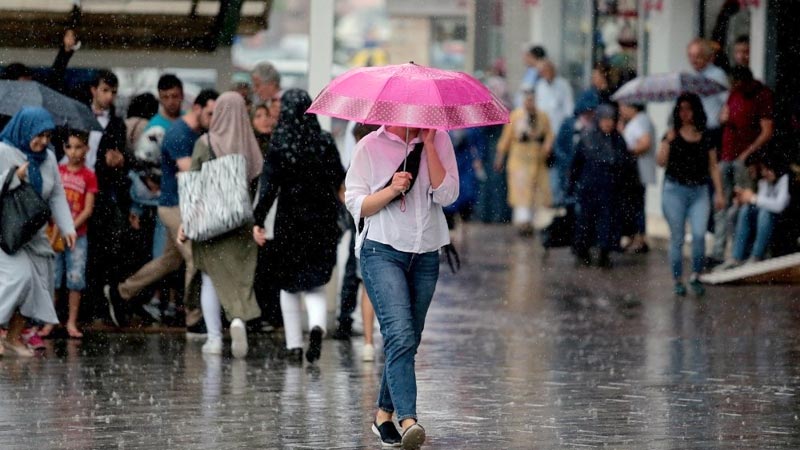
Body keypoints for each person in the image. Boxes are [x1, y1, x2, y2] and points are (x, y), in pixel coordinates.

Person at [345, 120, 458, 448]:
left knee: (408, 339)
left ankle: (383, 416)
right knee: (400, 334)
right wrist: (392, 189)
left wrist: (431, 145)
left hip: (425, 254)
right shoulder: (369, 147)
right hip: (382, 249)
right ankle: (408, 420)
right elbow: (357, 204)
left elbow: (448, 194)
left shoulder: (439, 141)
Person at [105, 89, 219, 331]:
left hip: (180, 204)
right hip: (175, 206)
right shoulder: (179, 133)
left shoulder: (195, 131)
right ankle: (194, 316)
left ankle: (122, 292)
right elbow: (188, 173)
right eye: (210, 112)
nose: (213, 118)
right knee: (195, 259)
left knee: (169, 261)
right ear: (197, 108)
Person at [253, 89, 345, 365]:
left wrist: (257, 220)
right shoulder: (324, 141)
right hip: (323, 221)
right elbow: (338, 178)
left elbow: (268, 188)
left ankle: (293, 346)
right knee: (315, 282)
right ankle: (316, 325)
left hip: (290, 223)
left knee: (288, 286)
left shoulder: (280, 144)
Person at [184, 92, 263, 357]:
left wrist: (188, 221)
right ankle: (238, 320)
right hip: (242, 222)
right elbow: (259, 183)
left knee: (210, 277)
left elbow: (193, 183)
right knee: (240, 279)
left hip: (211, 221)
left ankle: (215, 338)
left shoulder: (205, 143)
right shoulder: (250, 145)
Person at [0, 107, 77, 356]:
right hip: (6, 234)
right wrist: (13, 177)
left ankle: (13, 337)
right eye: (38, 134)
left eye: (47, 135)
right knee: (19, 278)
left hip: (33, 233)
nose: (43, 141)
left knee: (38, 286)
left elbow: (56, 194)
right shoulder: (4, 151)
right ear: (25, 129)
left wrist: (67, 227)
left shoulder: (49, 157)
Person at [657, 93, 725, 297]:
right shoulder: (671, 134)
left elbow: (713, 166)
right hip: (674, 190)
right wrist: (667, 143)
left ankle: (696, 274)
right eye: (681, 109)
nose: (685, 113)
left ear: (696, 110)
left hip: (699, 191)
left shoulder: (706, 136)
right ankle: (677, 279)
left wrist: (719, 192)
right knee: (677, 237)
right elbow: (660, 162)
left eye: (688, 108)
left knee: (698, 234)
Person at [712, 65, 774, 263]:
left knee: (744, 204)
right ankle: (720, 251)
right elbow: (723, 117)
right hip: (727, 154)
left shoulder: (761, 94)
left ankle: (743, 251)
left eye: (735, 84)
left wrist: (748, 153)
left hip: (744, 158)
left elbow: (767, 130)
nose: (733, 87)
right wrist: (723, 119)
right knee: (722, 203)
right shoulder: (733, 94)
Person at [40, 129, 97, 339]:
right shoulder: (58, 171)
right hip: (55, 234)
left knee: (75, 279)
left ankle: (71, 321)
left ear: (87, 148)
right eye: (69, 147)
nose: (73, 152)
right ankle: (49, 321)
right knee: (53, 277)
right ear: (63, 148)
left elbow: (88, 209)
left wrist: (70, 226)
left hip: (77, 235)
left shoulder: (88, 175)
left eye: (79, 147)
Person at [332, 122, 380, 341]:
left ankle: (346, 320)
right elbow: (345, 188)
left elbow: (346, 188)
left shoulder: (365, 157)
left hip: (364, 222)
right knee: (357, 273)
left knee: (356, 273)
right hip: (363, 222)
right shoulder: (368, 157)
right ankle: (347, 320)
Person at [569, 104, 630, 268]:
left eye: (611, 119)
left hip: (610, 189)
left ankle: (604, 252)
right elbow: (576, 163)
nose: (608, 123)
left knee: (607, 221)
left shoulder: (618, 140)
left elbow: (625, 164)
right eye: (604, 119)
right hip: (590, 187)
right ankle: (583, 251)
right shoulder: (587, 137)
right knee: (586, 221)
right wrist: (572, 184)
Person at [495, 89, 554, 236]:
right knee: (521, 193)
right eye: (527, 100)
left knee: (537, 192)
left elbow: (549, 135)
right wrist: (500, 157)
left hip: (537, 159)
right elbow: (505, 139)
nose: (530, 103)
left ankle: (534, 223)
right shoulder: (515, 116)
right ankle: (523, 222)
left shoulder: (543, 116)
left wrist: (547, 146)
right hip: (519, 160)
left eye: (532, 100)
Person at [725, 155, 791, 267]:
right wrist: (745, 199)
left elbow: (779, 205)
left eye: (768, 170)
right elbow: (759, 201)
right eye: (764, 170)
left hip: (782, 220)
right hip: (763, 220)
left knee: (765, 212)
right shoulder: (764, 182)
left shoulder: (785, 179)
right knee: (745, 210)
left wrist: (753, 198)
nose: (765, 173)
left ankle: (756, 256)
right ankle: (736, 257)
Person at [619, 102, 657, 253]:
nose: (621, 109)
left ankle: (640, 238)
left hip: (637, 172)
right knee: (634, 205)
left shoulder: (641, 120)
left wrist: (627, 151)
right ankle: (635, 237)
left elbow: (645, 142)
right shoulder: (635, 122)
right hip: (633, 173)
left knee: (637, 206)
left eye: (623, 106)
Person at [552, 91, 600, 207]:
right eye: (587, 110)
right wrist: (566, 163)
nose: (590, 113)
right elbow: (558, 146)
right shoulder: (569, 124)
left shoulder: (596, 126)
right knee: (567, 201)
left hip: (587, 172)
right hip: (568, 170)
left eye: (592, 110)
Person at [686, 38, 729, 145]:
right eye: (690, 56)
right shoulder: (695, 76)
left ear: (707, 57)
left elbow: (728, 101)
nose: (693, 60)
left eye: (698, 56)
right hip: (698, 130)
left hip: (712, 130)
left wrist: (723, 117)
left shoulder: (717, 75)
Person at [534, 60, 574, 137]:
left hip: (559, 126)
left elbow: (569, 107)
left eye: (548, 70)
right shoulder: (539, 85)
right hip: (543, 127)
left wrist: (567, 125)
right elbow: (537, 105)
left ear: (554, 71)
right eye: (544, 71)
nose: (547, 73)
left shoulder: (563, 85)